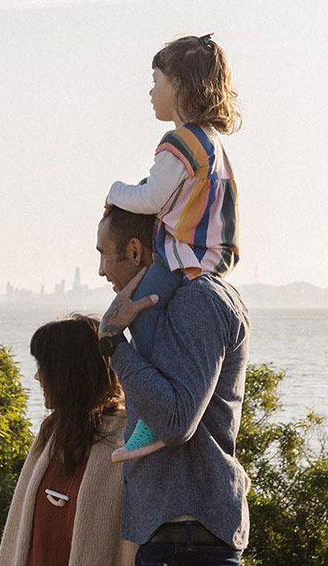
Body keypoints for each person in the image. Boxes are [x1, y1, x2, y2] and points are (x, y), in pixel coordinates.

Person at [105, 33, 242, 463]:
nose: (150, 92)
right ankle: (150, 418)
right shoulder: (212, 144)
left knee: (138, 313)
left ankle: (151, 424)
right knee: (152, 316)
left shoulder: (180, 142)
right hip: (209, 254)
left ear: (179, 85)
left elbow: (150, 199)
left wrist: (114, 190)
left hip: (184, 255)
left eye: (155, 80)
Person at [95, 207, 251, 565]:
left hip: (190, 544)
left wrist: (114, 345)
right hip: (176, 542)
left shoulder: (197, 300)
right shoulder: (170, 308)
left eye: (103, 253)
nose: (101, 270)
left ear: (135, 251)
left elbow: (176, 421)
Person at [0, 315, 138, 566]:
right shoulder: (50, 435)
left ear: (68, 374)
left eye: (44, 367)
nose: (38, 377)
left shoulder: (125, 441)